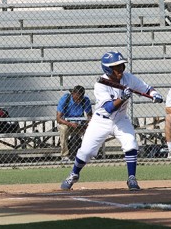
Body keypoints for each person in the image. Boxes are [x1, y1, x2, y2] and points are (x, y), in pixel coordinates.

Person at [60, 51, 163, 191]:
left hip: (121, 120)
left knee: (131, 143)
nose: (120, 69)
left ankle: (131, 178)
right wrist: (123, 97)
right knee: (85, 152)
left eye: (121, 66)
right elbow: (109, 108)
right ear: (108, 69)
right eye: (116, 67)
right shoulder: (101, 84)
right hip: (101, 121)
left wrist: (154, 94)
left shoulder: (128, 78)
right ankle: (74, 174)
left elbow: (146, 88)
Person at [56, 85, 92, 162]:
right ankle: (64, 155)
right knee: (63, 129)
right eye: (77, 98)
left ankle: (88, 153)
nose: (79, 100)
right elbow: (58, 118)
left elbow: (89, 116)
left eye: (81, 98)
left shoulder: (85, 100)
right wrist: (70, 124)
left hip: (80, 124)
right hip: (66, 123)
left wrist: (86, 124)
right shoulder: (66, 99)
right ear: (73, 94)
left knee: (91, 129)